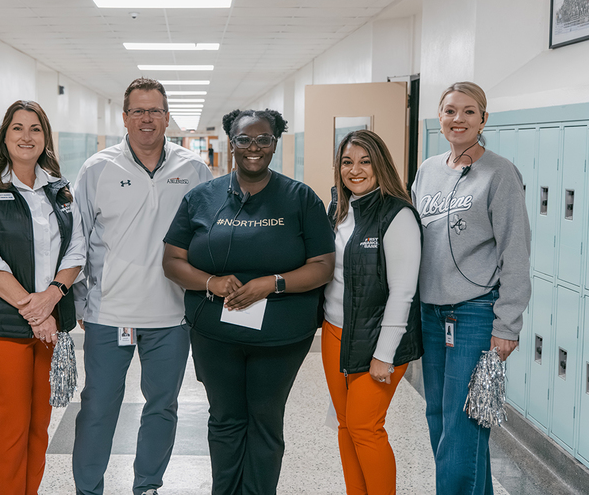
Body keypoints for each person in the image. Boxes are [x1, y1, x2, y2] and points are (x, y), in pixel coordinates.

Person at [162, 108, 335, 495]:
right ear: (231, 142)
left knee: (265, 420)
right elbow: (172, 261)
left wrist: (271, 284)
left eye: (263, 139)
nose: (253, 147)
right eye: (244, 139)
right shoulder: (202, 198)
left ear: (275, 143)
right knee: (224, 419)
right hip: (214, 334)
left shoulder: (299, 198)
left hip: (281, 337)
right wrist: (211, 280)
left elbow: (322, 266)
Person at [71, 77, 213, 495]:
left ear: (168, 117)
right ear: (125, 117)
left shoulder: (194, 169)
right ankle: (88, 488)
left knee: (162, 407)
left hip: (171, 316)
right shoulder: (98, 169)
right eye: (138, 110)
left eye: (155, 111)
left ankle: (147, 485)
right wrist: (81, 303)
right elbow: (77, 238)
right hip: (109, 313)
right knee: (97, 407)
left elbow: (207, 238)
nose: (147, 118)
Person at [0, 100, 85, 495]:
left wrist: (52, 297)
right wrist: (35, 310)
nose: (26, 137)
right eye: (17, 128)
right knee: (11, 427)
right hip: (2, 327)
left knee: (39, 427)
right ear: (4, 135)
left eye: (35, 129)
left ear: (45, 138)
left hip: (50, 325)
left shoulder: (59, 188)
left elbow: (76, 250)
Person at [412, 81, 531, 495]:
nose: (457, 119)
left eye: (468, 111)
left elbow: (515, 251)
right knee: (441, 418)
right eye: (449, 111)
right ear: (439, 117)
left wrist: (508, 324)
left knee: (462, 427)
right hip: (431, 313)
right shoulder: (427, 170)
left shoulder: (500, 173)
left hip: (476, 313)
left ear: (484, 118)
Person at [322, 129, 423, 495]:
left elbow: (403, 291)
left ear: (380, 164)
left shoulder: (397, 215)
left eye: (365, 161)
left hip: (380, 341)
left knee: (366, 427)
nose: (356, 170)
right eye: (347, 162)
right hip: (335, 333)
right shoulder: (338, 208)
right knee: (347, 426)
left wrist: (384, 354)